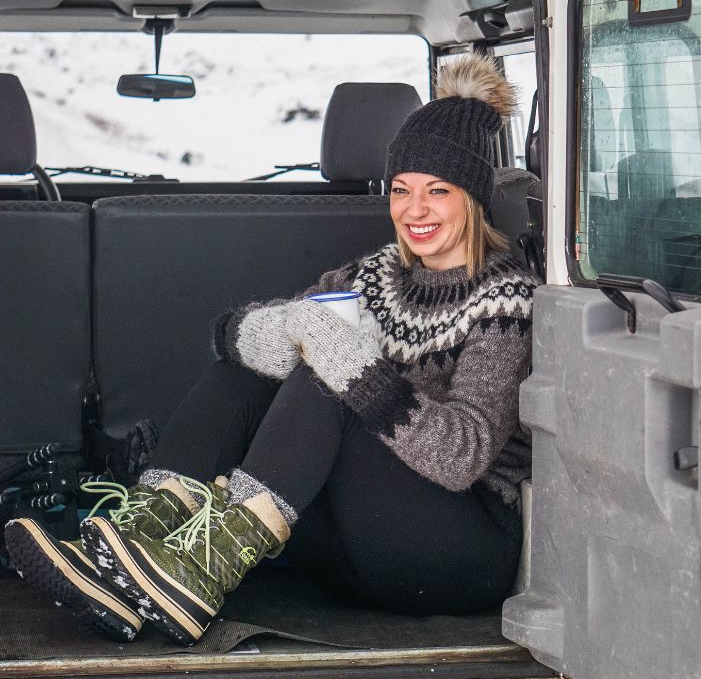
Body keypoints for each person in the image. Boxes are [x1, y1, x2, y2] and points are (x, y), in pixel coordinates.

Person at [4, 53, 541, 646]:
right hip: (351, 549)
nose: (414, 210)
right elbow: (228, 339)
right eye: (401, 190)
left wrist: (352, 369)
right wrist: (280, 331)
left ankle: (201, 569)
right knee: (251, 376)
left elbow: (463, 457)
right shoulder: (375, 275)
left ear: (473, 198)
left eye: (438, 191)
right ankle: (139, 543)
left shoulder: (503, 297)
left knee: (327, 378)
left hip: (453, 557)